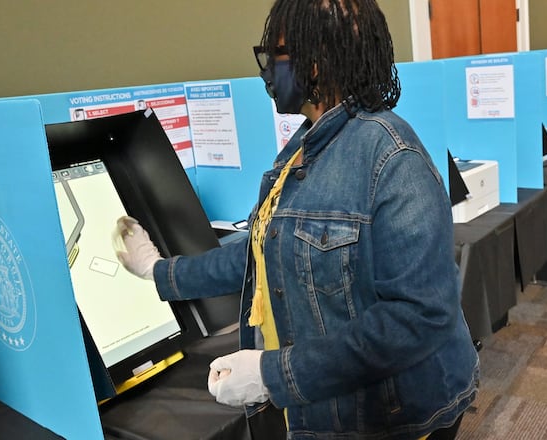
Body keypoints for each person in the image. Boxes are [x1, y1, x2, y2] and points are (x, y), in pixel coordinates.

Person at [114, 0, 480, 438]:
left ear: (318, 60)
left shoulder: (393, 159)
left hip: (391, 419)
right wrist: (160, 273)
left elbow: (418, 317)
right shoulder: (305, 147)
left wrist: (274, 374)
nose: (269, 68)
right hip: (324, 408)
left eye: (277, 54)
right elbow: (262, 251)